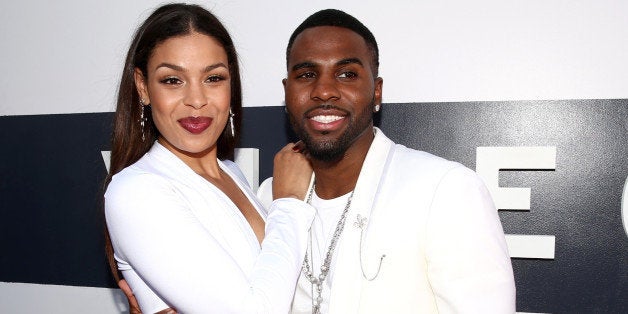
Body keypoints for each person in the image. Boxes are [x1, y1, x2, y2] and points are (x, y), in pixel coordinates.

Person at [255, 9, 517, 313]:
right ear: (287, 93)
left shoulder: (444, 191)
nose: (324, 90)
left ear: (376, 92)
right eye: (306, 75)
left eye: (347, 74)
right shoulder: (270, 196)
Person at [103, 3, 315, 313]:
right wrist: (290, 203)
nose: (197, 100)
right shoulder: (134, 192)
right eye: (172, 80)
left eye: (213, 78)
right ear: (142, 87)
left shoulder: (231, 174)